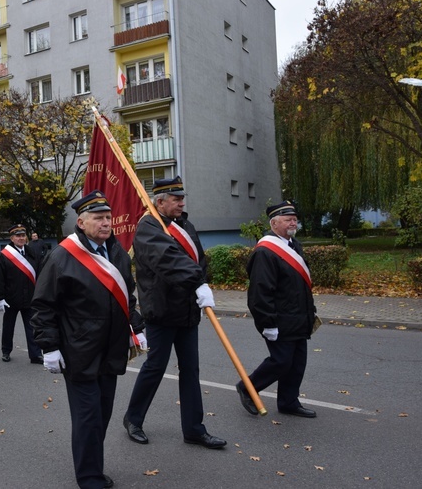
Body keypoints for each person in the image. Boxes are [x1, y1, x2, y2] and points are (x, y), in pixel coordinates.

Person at [31, 191, 146, 489]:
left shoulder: (117, 252)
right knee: (88, 417)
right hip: (78, 349)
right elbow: (43, 304)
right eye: (98, 218)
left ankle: (93, 466)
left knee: (103, 413)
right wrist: (50, 347)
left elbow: (126, 296)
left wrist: (136, 326)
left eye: (108, 217)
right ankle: (89, 477)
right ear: (81, 222)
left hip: (111, 348)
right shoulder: (62, 256)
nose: (106, 223)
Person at [122, 177, 226, 449]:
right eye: (176, 199)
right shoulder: (148, 227)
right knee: (155, 367)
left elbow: (197, 260)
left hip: (187, 309)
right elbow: (167, 260)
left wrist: (201, 285)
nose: (182, 203)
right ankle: (133, 418)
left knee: (191, 369)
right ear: (160, 202)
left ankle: (194, 429)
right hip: (162, 310)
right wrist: (198, 281)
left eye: (182, 198)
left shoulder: (186, 225)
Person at [237, 200, 318, 418]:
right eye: (288, 219)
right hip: (280, 318)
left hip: (299, 316)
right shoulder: (266, 251)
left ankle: (288, 402)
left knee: (297, 363)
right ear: (274, 223)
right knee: (281, 361)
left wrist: (311, 312)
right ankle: (248, 387)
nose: (293, 222)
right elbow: (260, 292)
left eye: (294, 219)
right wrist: (267, 323)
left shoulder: (293, 244)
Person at [0, 224, 42, 364]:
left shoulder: (32, 253)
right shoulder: (4, 256)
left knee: (33, 327)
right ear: (12, 238)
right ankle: (6, 351)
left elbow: (39, 273)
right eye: (18, 236)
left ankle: (35, 354)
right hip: (10, 298)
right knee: (8, 327)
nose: (21, 238)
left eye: (23, 235)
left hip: (30, 297)